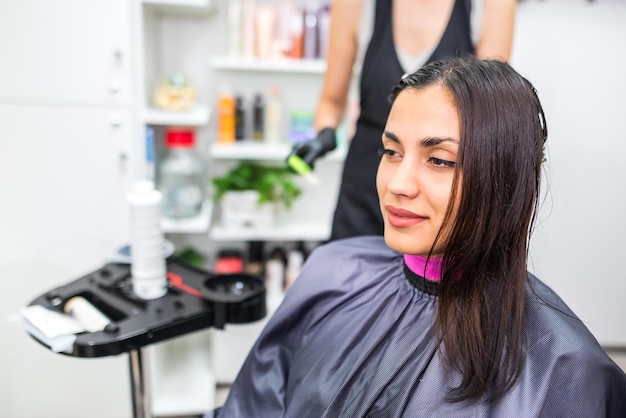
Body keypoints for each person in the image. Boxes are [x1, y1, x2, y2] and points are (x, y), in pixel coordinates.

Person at [210, 57, 626, 417]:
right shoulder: (330, 272)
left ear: (505, 178)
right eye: (391, 152)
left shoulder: (566, 371)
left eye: (440, 160)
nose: (398, 183)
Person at [288, 0, 517, 241]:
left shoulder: (492, 5)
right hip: (365, 178)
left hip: (437, 189)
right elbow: (332, 102)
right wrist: (324, 135)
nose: (400, 184)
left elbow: (490, 111)